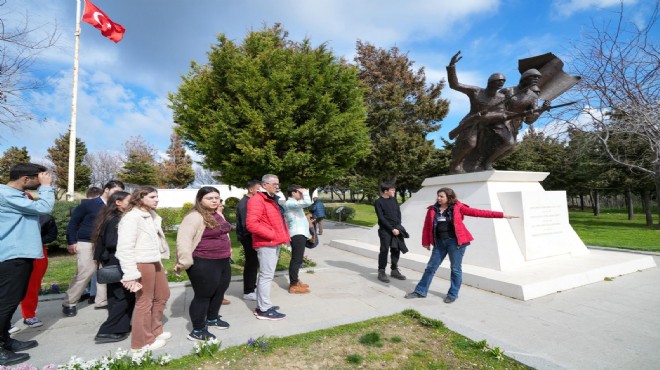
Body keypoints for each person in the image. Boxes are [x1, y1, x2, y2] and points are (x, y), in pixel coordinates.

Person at [405, 187, 517, 303]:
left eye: (441, 196)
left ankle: (453, 294)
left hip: (455, 243)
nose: (438, 198)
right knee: (430, 268)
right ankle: (420, 291)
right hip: (439, 243)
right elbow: (427, 226)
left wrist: (501, 215)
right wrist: (426, 242)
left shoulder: (458, 207)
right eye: (438, 196)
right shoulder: (433, 210)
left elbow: (478, 212)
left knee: (455, 269)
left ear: (449, 197)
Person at [0, 163, 54, 366]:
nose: (40, 182)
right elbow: (44, 207)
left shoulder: (13, 194)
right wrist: (47, 187)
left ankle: (5, 340)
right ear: (25, 179)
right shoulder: (6, 194)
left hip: (20, 255)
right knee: (5, 304)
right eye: (37, 179)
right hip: (12, 256)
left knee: (11, 300)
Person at [116, 187, 171, 352]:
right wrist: (131, 274)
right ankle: (141, 343)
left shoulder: (151, 215)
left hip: (154, 261)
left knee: (163, 294)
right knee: (144, 302)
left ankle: (155, 330)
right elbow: (124, 248)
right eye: (153, 196)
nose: (157, 199)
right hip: (141, 262)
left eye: (157, 196)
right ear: (140, 198)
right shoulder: (132, 217)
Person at [175, 187, 232, 342]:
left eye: (217, 198)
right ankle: (198, 330)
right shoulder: (194, 217)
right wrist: (184, 261)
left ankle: (212, 318)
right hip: (203, 261)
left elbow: (224, 234)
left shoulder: (217, 214)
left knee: (219, 292)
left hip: (222, 260)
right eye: (209, 198)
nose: (214, 200)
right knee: (203, 296)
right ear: (200, 200)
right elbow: (183, 240)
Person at [63, 180, 125, 316]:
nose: (118, 195)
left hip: (106, 243)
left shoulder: (116, 206)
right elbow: (73, 223)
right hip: (87, 242)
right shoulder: (89, 204)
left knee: (106, 271)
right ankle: (70, 302)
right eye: (115, 192)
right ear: (107, 189)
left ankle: (102, 300)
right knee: (85, 272)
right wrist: (71, 241)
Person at [445, 51, 508, 173]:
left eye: (502, 82)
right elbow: (455, 85)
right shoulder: (476, 91)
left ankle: (484, 163)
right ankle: (455, 165)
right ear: (490, 82)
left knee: (506, 142)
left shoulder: (501, 97)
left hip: (488, 124)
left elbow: (501, 112)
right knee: (470, 144)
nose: (500, 83)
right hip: (471, 121)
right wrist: (452, 66)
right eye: (498, 81)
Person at [92, 191, 134, 344]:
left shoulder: (111, 217)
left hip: (113, 260)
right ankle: (107, 330)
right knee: (123, 296)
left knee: (117, 296)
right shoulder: (115, 220)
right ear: (118, 202)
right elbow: (112, 242)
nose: (132, 203)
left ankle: (120, 326)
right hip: (117, 261)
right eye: (129, 201)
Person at [247, 174, 290, 320]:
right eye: (274, 184)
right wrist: (272, 234)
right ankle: (263, 309)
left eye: (278, 184)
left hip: (273, 242)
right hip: (267, 243)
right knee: (266, 276)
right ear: (265, 185)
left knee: (267, 275)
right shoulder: (257, 200)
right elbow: (252, 224)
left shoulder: (269, 199)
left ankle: (262, 305)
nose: (277, 186)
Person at [17, 212, 57, 330]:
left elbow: (52, 235)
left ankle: (29, 315)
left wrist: (35, 240)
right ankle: (8, 320)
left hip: (36, 252)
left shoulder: (45, 218)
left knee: (32, 285)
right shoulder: (9, 216)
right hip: (13, 252)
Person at [374, 182, 406, 283]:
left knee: (396, 249)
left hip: (396, 228)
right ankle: (381, 271)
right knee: (384, 250)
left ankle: (394, 270)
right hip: (385, 230)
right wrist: (391, 229)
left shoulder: (394, 200)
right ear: (386, 191)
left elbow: (398, 213)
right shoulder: (378, 202)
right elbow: (381, 218)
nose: (394, 191)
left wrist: (398, 227)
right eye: (392, 190)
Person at [235, 180, 262, 301]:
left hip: (252, 236)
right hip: (248, 237)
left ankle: (252, 286)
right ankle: (248, 290)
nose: (261, 192)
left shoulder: (251, 201)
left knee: (254, 263)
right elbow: (247, 225)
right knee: (251, 263)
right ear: (251, 189)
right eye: (259, 189)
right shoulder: (245, 203)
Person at [284, 184, 313, 294]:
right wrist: (305, 191)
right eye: (299, 192)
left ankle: (296, 280)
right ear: (293, 193)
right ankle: (293, 284)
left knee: (298, 259)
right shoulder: (290, 202)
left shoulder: (293, 203)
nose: (301, 194)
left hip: (300, 234)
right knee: (296, 260)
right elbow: (308, 203)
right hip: (297, 234)